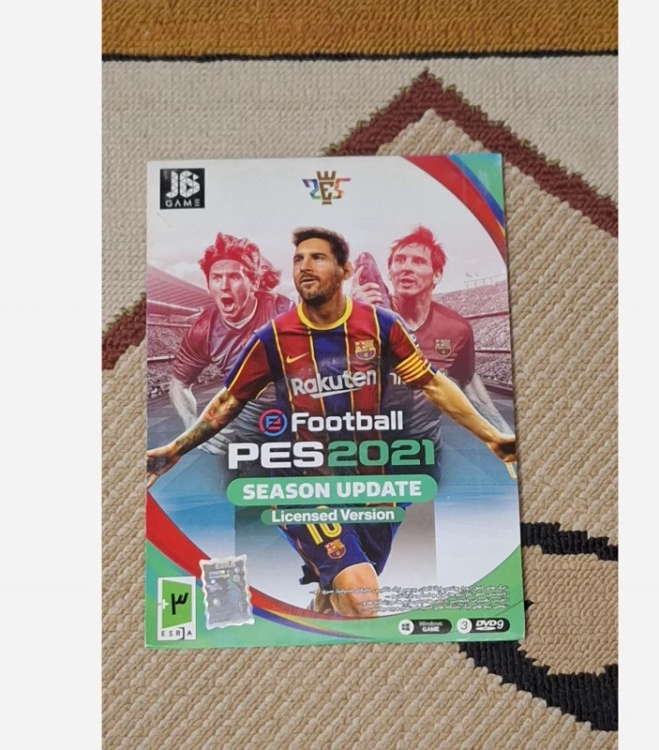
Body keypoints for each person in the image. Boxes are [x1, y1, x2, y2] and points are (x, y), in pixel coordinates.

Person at [147, 227, 516, 618]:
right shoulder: (274, 338)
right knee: (362, 597)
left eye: (317, 257)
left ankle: (317, 617)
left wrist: (492, 436)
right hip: (303, 488)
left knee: (341, 592)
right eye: (298, 259)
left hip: (375, 486)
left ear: (345, 270)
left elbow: (433, 384)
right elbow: (227, 401)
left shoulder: (382, 326)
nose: (305, 266)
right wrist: (176, 448)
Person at [351, 226, 514, 463]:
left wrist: (504, 434)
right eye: (400, 260)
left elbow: (468, 382)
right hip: (365, 447)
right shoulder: (364, 316)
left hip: (422, 448)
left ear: (437, 274)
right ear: (390, 272)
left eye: (418, 261)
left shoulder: (456, 328)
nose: (406, 267)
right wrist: (349, 317)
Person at [168, 233, 292, 454]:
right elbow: (179, 385)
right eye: (217, 277)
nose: (224, 285)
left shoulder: (283, 312)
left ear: (254, 283)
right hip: (250, 415)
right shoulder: (204, 330)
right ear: (208, 285)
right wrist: (192, 425)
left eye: (234, 276)